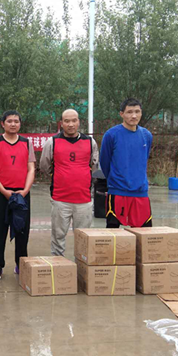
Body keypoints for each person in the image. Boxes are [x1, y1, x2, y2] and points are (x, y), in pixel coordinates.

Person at [40, 109, 99, 256]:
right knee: (58, 237)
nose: (71, 124)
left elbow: (94, 166)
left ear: (79, 122)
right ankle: (58, 265)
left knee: (83, 238)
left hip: (84, 200)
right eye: (67, 121)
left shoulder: (90, 142)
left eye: (74, 120)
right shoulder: (52, 142)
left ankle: (82, 266)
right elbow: (44, 166)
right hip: (60, 200)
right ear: (61, 123)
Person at [0, 110, 36, 280]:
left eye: (16, 121)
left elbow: (31, 168)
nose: (13, 124)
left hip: (22, 192)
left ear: (20, 124)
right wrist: (4, 191)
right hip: (2, 193)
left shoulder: (26, 143)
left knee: (22, 230)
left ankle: (21, 263)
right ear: (3, 124)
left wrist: (25, 190)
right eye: (9, 121)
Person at [100, 98, 153, 228]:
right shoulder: (111, 135)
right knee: (113, 234)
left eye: (137, 112)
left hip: (140, 192)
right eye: (129, 112)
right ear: (122, 114)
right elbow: (104, 162)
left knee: (145, 233)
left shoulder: (146, 135)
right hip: (117, 192)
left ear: (141, 113)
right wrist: (115, 181)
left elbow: (143, 159)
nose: (134, 116)